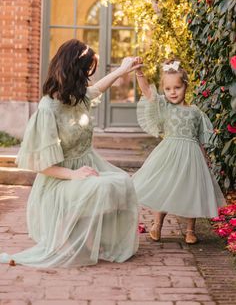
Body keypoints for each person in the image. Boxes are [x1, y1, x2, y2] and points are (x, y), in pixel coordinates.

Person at [0, 39, 141, 267]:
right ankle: (64, 239)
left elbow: (99, 88)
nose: (88, 77)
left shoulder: (78, 97)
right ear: (72, 71)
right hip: (58, 181)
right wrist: (75, 175)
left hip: (85, 167)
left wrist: (123, 69)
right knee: (101, 186)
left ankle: (90, 239)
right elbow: (41, 165)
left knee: (122, 181)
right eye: (85, 72)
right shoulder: (48, 108)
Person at [132, 58, 226, 244]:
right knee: (165, 186)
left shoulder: (195, 112)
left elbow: (199, 138)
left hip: (192, 156)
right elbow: (148, 93)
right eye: (168, 89)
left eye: (177, 87)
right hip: (169, 154)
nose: (172, 92)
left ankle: (190, 230)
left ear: (186, 86)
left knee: (191, 189)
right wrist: (139, 73)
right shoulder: (165, 106)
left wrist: (205, 158)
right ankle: (157, 224)